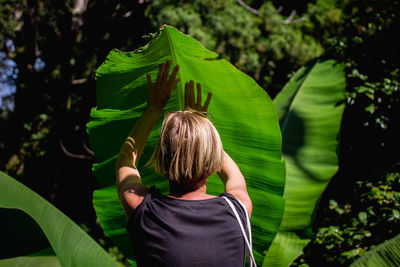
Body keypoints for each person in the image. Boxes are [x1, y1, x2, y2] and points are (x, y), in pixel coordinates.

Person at [116, 60, 253, 267]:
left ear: (162, 157)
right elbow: (234, 177)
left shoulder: (144, 211)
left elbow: (127, 158)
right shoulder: (237, 210)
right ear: (212, 159)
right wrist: (202, 128)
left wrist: (154, 108)